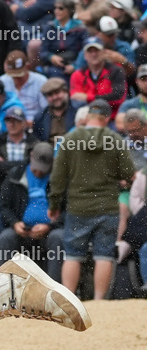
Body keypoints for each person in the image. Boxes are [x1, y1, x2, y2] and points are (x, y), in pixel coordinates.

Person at [49, 98, 136, 299]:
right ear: (107, 118)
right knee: (103, 255)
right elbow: (128, 173)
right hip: (107, 207)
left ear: (88, 116)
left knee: (73, 255)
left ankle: (70, 299)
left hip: (78, 207)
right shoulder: (115, 140)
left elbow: (58, 178)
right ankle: (99, 302)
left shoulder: (70, 139)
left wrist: (54, 205)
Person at [0, 141, 64, 281]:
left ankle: (55, 288)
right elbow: (3, 206)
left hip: (51, 230)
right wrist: (14, 223)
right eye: (36, 169)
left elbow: (67, 210)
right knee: (5, 238)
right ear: (31, 157)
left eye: (43, 169)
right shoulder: (15, 174)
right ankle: (1, 285)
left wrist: (49, 226)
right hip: (22, 228)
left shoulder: (60, 178)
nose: (39, 172)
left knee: (58, 238)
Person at [69, 37, 126, 120]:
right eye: (90, 51)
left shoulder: (116, 71)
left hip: (112, 118)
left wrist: (88, 98)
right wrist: (104, 98)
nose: (93, 54)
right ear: (84, 55)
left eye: (97, 50)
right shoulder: (78, 74)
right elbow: (76, 101)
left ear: (103, 52)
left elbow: (118, 98)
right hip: (87, 119)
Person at [33, 77, 77, 142]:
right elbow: (37, 139)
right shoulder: (40, 117)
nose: (54, 97)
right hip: (49, 147)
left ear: (66, 92)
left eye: (57, 92)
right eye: (50, 95)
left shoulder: (77, 111)